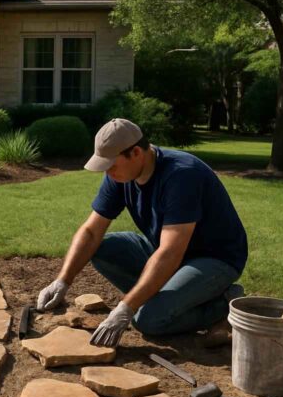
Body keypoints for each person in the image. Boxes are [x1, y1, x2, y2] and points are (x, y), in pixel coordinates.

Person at [36, 118, 247, 347]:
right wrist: (62, 281)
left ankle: (223, 305)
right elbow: (91, 232)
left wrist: (126, 308)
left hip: (213, 259)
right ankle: (161, 296)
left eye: (111, 165)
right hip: (165, 250)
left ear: (136, 152)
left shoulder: (182, 175)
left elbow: (171, 252)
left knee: (148, 320)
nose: (108, 172)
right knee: (100, 248)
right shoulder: (121, 175)